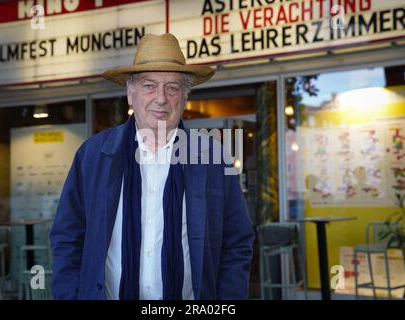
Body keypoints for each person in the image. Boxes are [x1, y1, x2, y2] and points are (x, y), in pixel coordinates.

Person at [50, 33, 255, 300]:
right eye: (149, 85)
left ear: (184, 98)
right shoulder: (92, 156)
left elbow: (237, 242)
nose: (161, 98)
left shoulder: (212, 158)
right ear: (130, 93)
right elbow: (67, 238)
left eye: (172, 87)